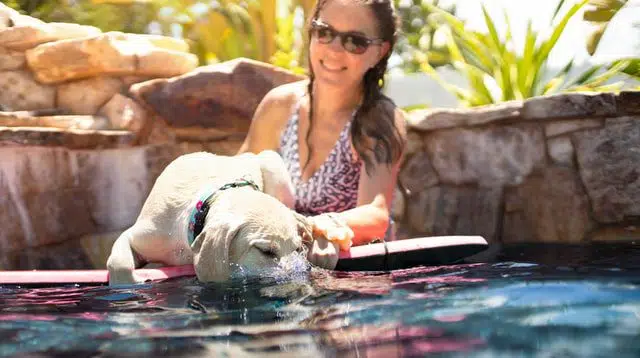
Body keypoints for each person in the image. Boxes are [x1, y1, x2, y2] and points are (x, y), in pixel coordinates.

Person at [238, 0, 407, 268]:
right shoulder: (278, 106)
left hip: (356, 278)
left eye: (355, 41)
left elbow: (376, 214)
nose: (335, 50)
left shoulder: (378, 120)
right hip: (280, 272)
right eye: (324, 32)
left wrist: (324, 226)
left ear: (380, 52)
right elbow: (238, 184)